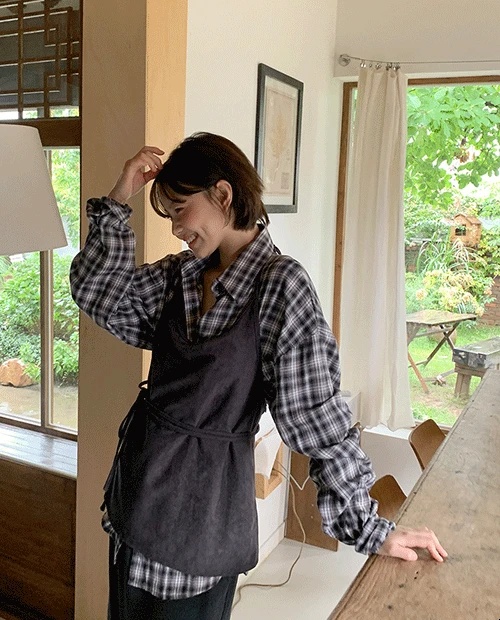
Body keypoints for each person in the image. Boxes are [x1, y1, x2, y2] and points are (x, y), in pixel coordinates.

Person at [70, 132, 447, 620]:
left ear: (223, 195)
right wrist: (119, 198)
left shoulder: (280, 288)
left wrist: (369, 527)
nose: (177, 228)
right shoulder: (180, 276)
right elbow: (98, 294)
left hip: (201, 522)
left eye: (180, 209)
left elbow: (318, 421)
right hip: (135, 500)